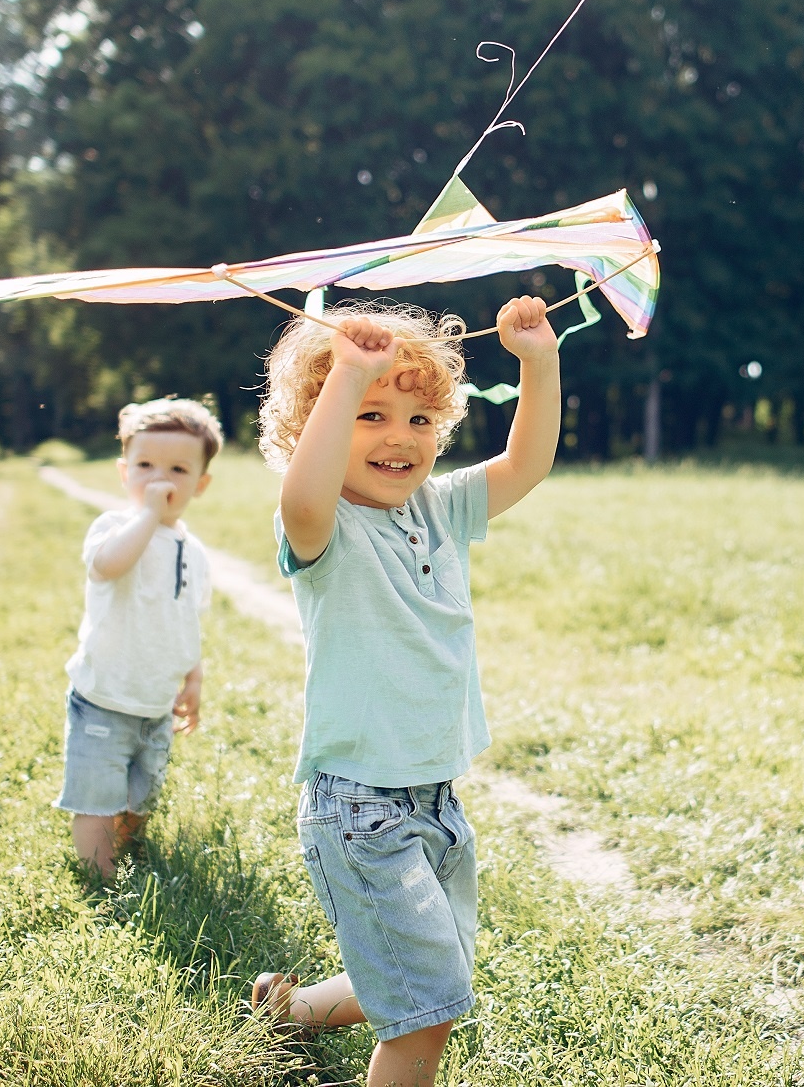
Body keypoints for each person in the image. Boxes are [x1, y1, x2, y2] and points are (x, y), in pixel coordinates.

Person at [248, 295, 559, 1087]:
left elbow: (527, 463)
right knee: (427, 1010)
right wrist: (348, 372)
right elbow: (303, 496)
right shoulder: (324, 528)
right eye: (370, 414)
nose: (399, 438)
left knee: (432, 974)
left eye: (420, 421)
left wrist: (539, 361)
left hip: (434, 800)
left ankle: (286, 1010)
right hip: (360, 809)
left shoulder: (441, 509)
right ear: (314, 427)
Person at [54, 397, 220, 879]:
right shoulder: (115, 527)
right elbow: (107, 566)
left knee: (141, 795)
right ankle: (98, 883)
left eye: (177, 469)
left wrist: (193, 677)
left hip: (155, 704)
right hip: (104, 696)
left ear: (200, 484)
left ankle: (129, 857)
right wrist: (148, 516)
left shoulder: (196, 553)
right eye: (145, 466)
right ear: (124, 473)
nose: (159, 480)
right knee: (96, 798)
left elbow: (188, 619)